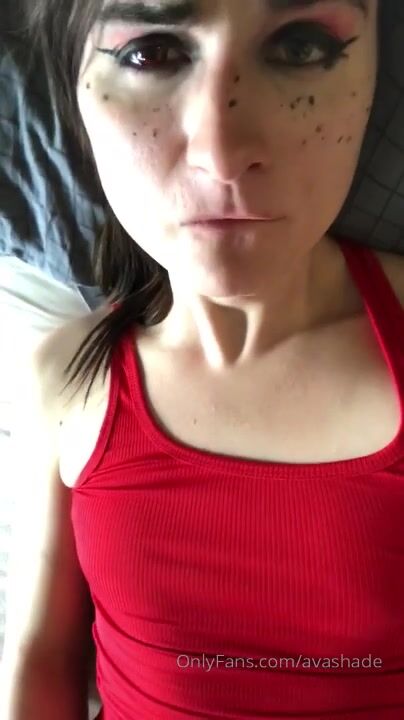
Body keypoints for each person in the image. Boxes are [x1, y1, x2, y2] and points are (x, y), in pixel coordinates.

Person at [3, 0, 404, 717]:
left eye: (301, 47)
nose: (221, 155)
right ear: (78, 99)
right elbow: (42, 658)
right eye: (150, 53)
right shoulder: (67, 380)